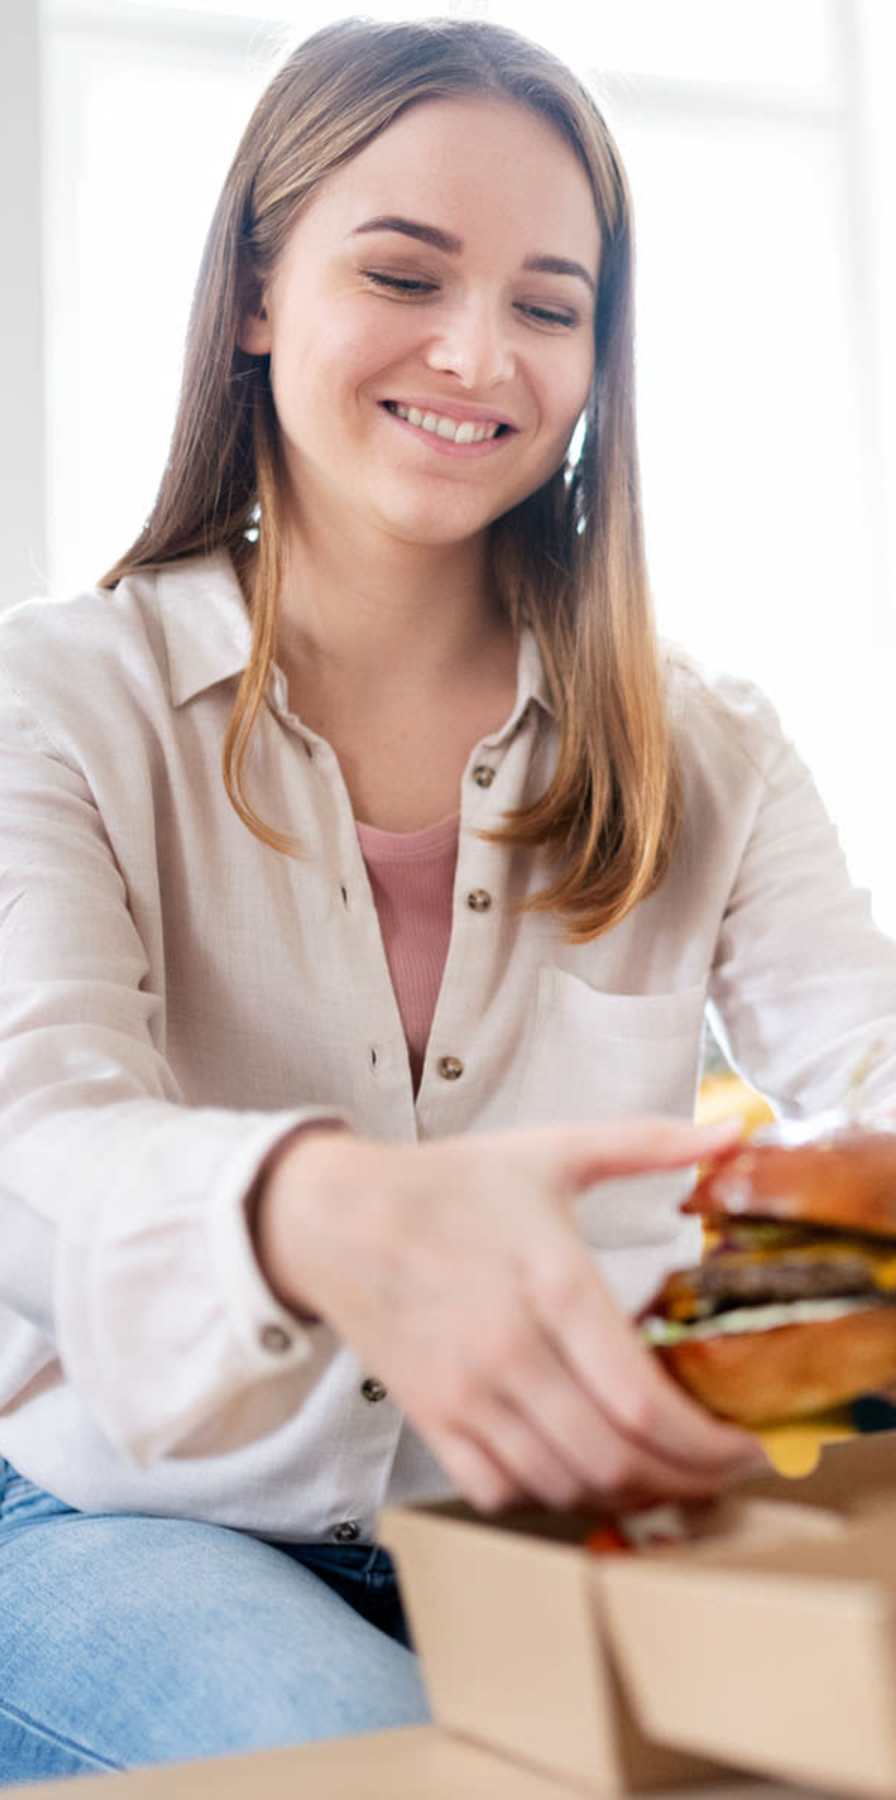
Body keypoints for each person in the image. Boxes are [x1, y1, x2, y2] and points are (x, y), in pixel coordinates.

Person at [1, 11, 895, 1784]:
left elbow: (867, 1079)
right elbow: (36, 1136)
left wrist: (798, 1329)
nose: (479, 353)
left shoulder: (710, 748)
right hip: (127, 1523)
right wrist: (310, 1211)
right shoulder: (59, 704)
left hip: (555, 1519)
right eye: (403, 272)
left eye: (552, 307)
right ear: (257, 290)